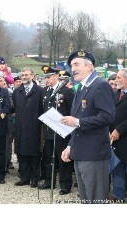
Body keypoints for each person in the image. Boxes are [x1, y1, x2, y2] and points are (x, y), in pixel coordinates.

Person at [61, 50, 115, 204]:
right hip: (80, 152)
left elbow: (108, 116)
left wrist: (78, 122)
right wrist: (70, 146)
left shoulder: (100, 85)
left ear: (89, 66)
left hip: (94, 153)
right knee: (86, 198)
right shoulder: (81, 88)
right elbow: (77, 120)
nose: (73, 69)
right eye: (71, 65)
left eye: (76, 64)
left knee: (96, 199)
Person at [38, 66, 75, 195]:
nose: (46, 79)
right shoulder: (45, 91)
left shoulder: (66, 92)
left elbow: (72, 111)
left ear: (56, 76)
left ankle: (65, 184)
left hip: (62, 131)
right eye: (45, 77)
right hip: (49, 131)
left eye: (48, 77)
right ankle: (49, 181)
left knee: (63, 158)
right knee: (49, 158)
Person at [12, 67, 44, 187]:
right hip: (20, 128)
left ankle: (35, 178)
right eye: (22, 75)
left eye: (26, 75)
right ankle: (24, 177)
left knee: (35, 154)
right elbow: (15, 107)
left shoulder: (40, 91)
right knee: (21, 153)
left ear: (32, 75)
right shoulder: (17, 92)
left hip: (35, 127)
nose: (24, 77)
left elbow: (42, 108)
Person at [109, 68, 127, 203]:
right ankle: (118, 194)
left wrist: (118, 130)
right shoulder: (116, 94)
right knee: (117, 167)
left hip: (123, 137)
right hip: (116, 140)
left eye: (119, 78)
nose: (116, 80)